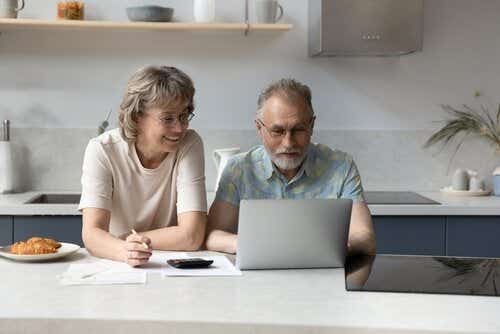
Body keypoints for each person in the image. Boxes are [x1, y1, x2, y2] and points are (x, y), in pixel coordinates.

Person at [206, 78, 376, 255]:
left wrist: (335, 246)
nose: (288, 143)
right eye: (277, 131)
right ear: (259, 128)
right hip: (256, 276)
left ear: (311, 126)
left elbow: (365, 236)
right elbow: (211, 235)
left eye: (298, 130)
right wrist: (249, 244)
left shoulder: (341, 167)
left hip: (323, 276)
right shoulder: (238, 170)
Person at [79, 66, 207, 267]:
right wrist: (126, 251)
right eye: (168, 118)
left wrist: (126, 241)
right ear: (138, 116)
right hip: (119, 262)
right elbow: (92, 234)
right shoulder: (102, 149)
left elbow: (192, 235)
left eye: (184, 116)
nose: (180, 128)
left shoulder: (189, 144)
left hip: (172, 263)